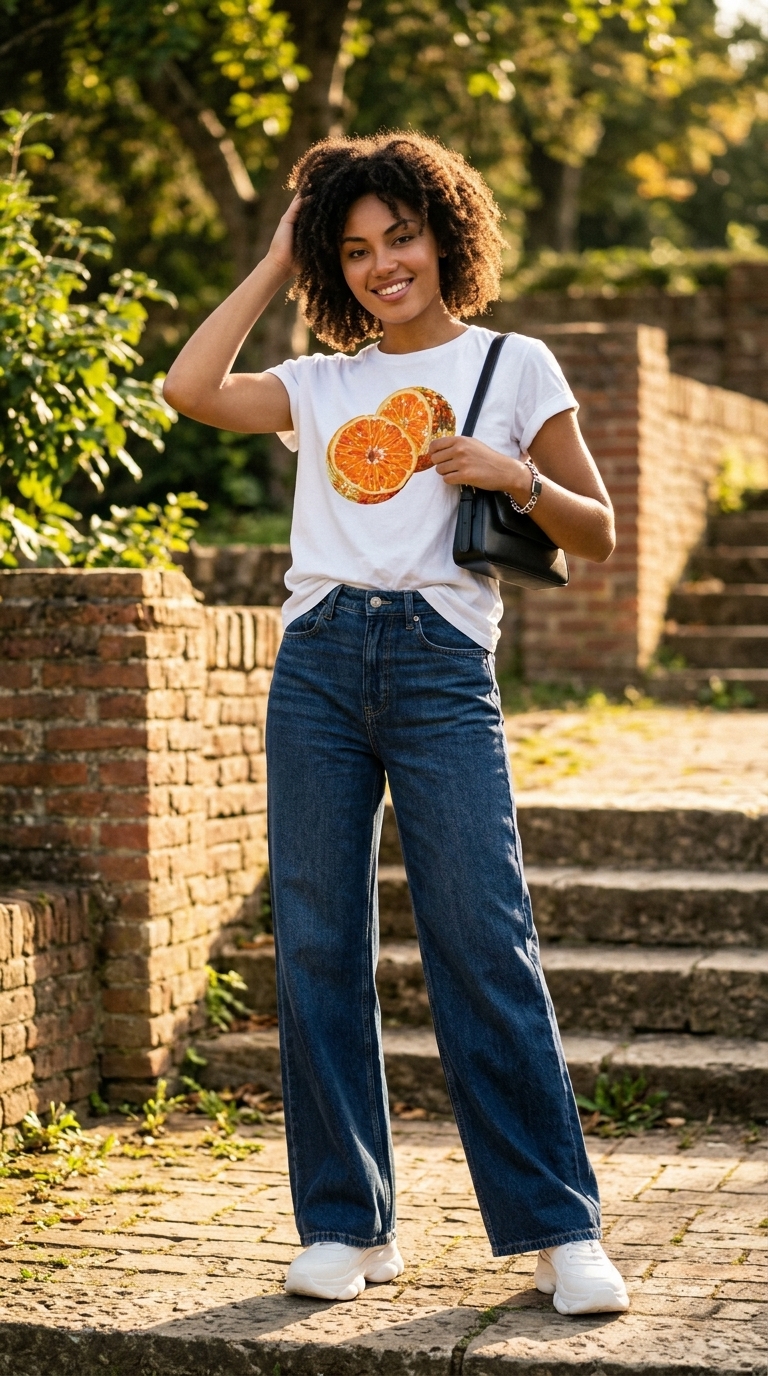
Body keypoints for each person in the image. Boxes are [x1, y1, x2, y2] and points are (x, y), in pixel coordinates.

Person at [164, 132, 628, 1316]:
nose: (384, 266)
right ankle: (345, 1220)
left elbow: (597, 532)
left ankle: (557, 1226)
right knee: (318, 941)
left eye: (402, 237)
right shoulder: (318, 384)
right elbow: (189, 387)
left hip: (438, 665)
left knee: (484, 933)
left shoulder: (515, 363)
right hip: (318, 661)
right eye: (356, 248)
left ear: (445, 234)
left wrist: (508, 474)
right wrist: (277, 256)